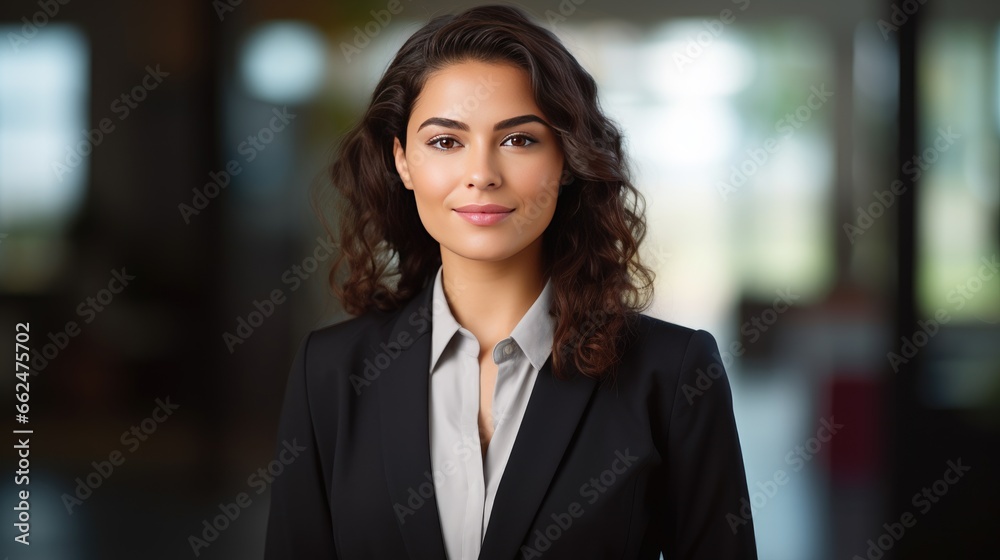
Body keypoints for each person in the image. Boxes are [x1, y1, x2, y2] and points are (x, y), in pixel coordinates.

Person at [263, 4, 757, 559]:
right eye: (446, 142)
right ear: (402, 160)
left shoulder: (670, 372)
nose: (482, 174)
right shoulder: (329, 373)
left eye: (519, 140)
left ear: (566, 160)